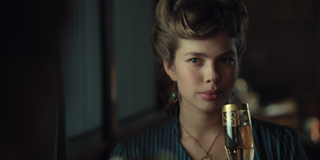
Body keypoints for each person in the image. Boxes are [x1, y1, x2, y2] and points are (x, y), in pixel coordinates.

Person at [109, 0, 309, 159]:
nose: (212, 75)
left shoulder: (280, 144)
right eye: (195, 60)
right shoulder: (133, 153)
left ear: (238, 61)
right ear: (170, 67)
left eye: (224, 60)